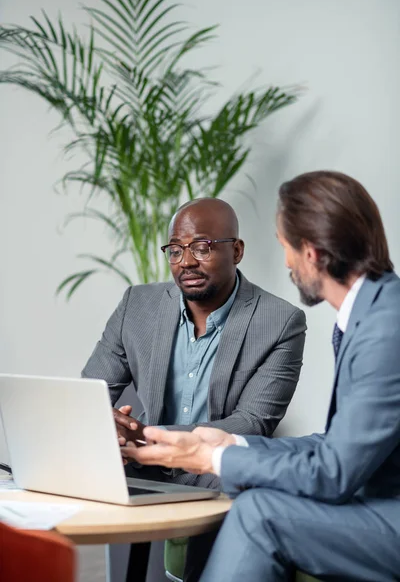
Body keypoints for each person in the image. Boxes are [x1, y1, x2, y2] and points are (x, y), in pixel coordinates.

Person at [122, 172, 400, 582]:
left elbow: (334, 471)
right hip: (379, 497)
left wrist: (211, 458)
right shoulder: (372, 313)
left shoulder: (384, 327)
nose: (286, 262)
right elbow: (341, 445)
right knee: (255, 495)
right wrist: (231, 443)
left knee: (259, 513)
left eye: (285, 245)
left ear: (312, 251)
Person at [82, 197, 306, 581]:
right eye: (175, 250)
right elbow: (91, 394)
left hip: (214, 469)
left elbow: (253, 423)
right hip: (141, 466)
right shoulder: (137, 305)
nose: (186, 261)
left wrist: (150, 437)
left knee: (239, 489)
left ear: (236, 250)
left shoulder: (280, 321)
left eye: (201, 247)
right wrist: (110, 430)